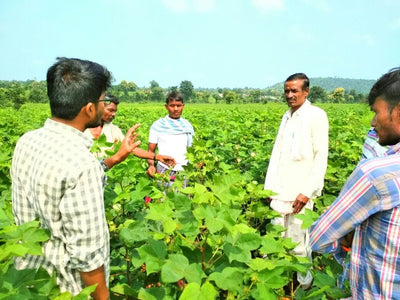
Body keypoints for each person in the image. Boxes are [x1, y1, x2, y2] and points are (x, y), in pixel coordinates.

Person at [11, 57, 141, 299]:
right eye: (103, 100)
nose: (105, 107)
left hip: (29, 282)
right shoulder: (83, 165)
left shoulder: (26, 141)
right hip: (67, 289)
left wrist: (115, 158)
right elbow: (87, 256)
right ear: (90, 109)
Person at [310, 67, 400, 299]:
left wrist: (351, 235)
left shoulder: (376, 174)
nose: (372, 122)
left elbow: (319, 236)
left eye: (376, 112)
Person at [264, 73, 329, 289]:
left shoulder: (316, 116)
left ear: (306, 91)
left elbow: (321, 156)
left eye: (295, 91)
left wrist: (307, 191)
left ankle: (304, 287)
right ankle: (274, 285)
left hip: (300, 192)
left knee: (299, 245)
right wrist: (269, 190)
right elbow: (277, 155)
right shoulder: (287, 116)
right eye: (287, 91)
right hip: (280, 191)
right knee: (274, 241)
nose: (290, 95)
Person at [84, 93, 175, 165]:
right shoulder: (81, 128)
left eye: (115, 111)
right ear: (99, 107)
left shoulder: (114, 130)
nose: (114, 114)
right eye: (111, 110)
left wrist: (156, 157)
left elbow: (131, 149)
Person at [146, 90, 194, 182]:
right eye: (172, 106)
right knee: (165, 195)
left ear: (183, 106)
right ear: (166, 107)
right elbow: (150, 151)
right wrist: (151, 166)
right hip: (164, 170)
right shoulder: (158, 126)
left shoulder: (187, 126)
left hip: (185, 170)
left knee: (184, 196)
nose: (175, 109)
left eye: (178, 105)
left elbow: (192, 149)